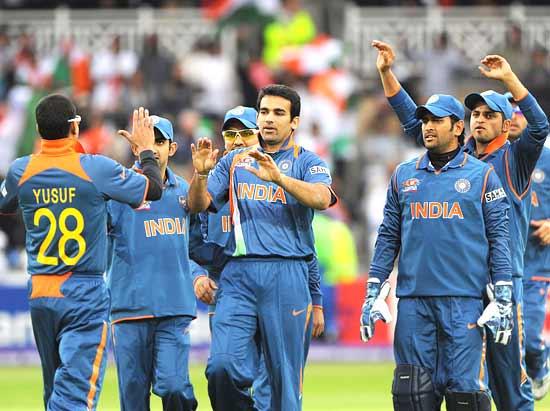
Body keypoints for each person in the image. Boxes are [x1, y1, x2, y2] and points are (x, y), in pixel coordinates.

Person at [365, 40, 513, 410]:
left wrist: (504, 294)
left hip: (464, 301)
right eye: (425, 121)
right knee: (412, 394)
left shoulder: (481, 176)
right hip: (413, 302)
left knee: (465, 396)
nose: (428, 127)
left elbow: (499, 238)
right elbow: (388, 236)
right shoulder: (403, 175)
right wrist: (374, 288)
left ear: (457, 127)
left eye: (436, 120)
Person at [0, 94, 162, 410]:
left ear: (38, 128)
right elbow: (152, 189)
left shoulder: (22, 170)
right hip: (83, 292)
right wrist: (146, 151)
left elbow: (4, 204)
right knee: (74, 396)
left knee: (54, 392)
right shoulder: (95, 169)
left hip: (40, 293)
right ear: (75, 128)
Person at [188, 84, 337, 411]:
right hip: (238, 275)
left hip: (288, 274)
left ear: (294, 122)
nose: (269, 119)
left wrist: (279, 179)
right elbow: (200, 206)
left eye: (278, 113)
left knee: (283, 386)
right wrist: (200, 176)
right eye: (265, 112)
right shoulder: (233, 163)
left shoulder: (307, 161)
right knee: (221, 368)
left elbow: (323, 198)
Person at [462, 54, 548, 411]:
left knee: (510, 382)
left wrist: (509, 76)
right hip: (462, 281)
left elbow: (540, 126)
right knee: (462, 382)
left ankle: (539, 361)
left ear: (509, 121)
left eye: (490, 114)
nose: (480, 120)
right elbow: (417, 125)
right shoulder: (459, 158)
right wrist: (388, 76)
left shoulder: (519, 157)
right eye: (475, 114)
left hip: (514, 274)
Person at [107, 115, 204, 411]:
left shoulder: (185, 191)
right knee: (134, 401)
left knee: (174, 386)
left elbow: (196, 247)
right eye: (149, 141)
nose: (154, 148)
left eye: (160, 141)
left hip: (174, 308)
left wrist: (199, 275)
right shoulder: (119, 188)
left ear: (172, 148)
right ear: (137, 146)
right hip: (130, 309)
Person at [506, 92, 550, 400]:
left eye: (519, 114)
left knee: (530, 339)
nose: (513, 119)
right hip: (500, 264)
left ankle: (539, 364)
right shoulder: (496, 157)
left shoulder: (547, 157)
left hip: (535, 262)